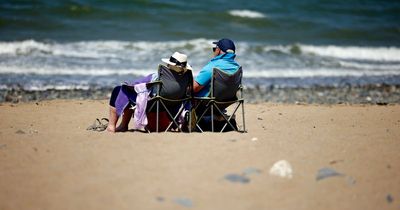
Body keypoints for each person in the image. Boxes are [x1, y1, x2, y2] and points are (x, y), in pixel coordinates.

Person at [106, 52, 192, 133]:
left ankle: (112, 126)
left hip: (153, 104)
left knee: (120, 89)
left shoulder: (160, 75)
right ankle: (123, 125)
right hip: (172, 106)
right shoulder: (186, 78)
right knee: (130, 92)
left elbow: (137, 85)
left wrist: (127, 85)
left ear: (169, 64)